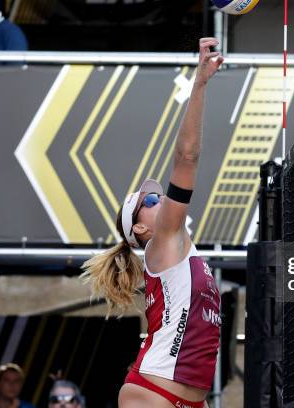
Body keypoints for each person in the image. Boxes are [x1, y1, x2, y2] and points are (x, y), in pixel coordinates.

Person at [80, 37, 224, 408]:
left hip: (189, 399)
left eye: (158, 196)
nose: (160, 199)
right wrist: (201, 83)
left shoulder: (183, 255)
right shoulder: (163, 244)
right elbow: (187, 157)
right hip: (153, 394)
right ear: (141, 231)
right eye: (150, 200)